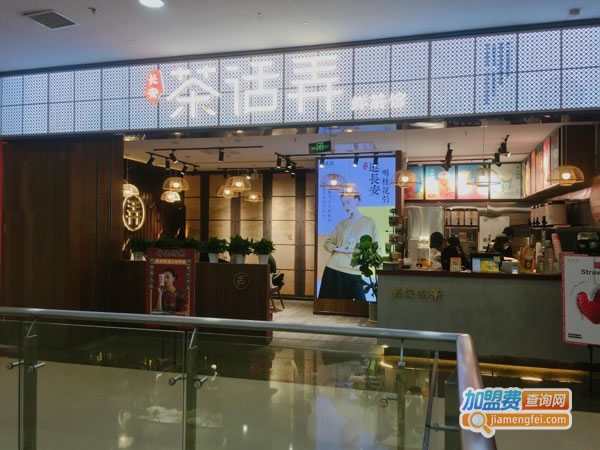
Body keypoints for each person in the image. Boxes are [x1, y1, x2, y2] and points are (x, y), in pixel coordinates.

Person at [318, 194, 378, 301]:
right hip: (334, 268)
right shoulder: (341, 224)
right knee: (329, 304)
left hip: (354, 269)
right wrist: (338, 248)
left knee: (360, 305)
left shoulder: (369, 222)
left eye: (348, 202)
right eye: (343, 204)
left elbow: (376, 246)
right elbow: (327, 243)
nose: (346, 206)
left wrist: (378, 266)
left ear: (357, 200)